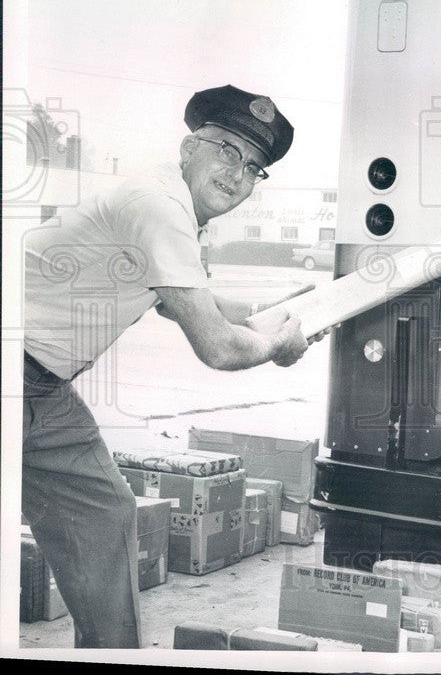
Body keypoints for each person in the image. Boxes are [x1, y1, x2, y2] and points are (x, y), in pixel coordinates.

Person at [21, 84, 324, 648]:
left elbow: (180, 301)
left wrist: (274, 314)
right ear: (190, 146)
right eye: (227, 150)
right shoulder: (158, 206)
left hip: (42, 388)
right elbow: (218, 348)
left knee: (105, 512)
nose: (237, 174)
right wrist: (276, 345)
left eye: (254, 166)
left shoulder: (174, 205)